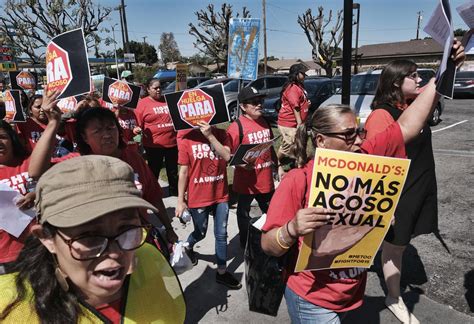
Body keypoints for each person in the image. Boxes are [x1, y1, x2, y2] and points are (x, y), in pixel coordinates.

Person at [260, 37, 464, 324]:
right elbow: (268, 245)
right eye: (348, 135)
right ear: (321, 140)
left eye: (358, 131)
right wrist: (292, 228)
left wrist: (444, 70)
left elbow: (408, 123)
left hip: (352, 295)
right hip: (312, 301)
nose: (359, 140)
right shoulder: (299, 180)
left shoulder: (364, 155)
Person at [0, 155, 186, 322]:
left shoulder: (148, 260)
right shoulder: (11, 309)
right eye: (89, 237)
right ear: (47, 238)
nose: (114, 252)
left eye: (126, 229)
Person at [28, 92, 178, 244]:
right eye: (97, 131)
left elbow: (153, 196)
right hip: (98, 248)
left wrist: (169, 228)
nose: (106, 135)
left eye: (110, 128)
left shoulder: (133, 158)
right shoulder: (77, 163)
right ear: (84, 137)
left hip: (138, 240)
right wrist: (53, 122)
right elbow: (35, 172)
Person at [364, 59, 444, 323]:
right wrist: (382, 205)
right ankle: (394, 298)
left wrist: (450, 60)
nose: (419, 79)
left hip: (418, 187)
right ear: (397, 81)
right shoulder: (381, 115)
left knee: (401, 243)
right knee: (394, 247)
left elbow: (439, 86)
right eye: (413, 76)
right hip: (398, 194)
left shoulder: (412, 107)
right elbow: (376, 165)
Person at [175, 122, 241, 289]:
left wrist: (210, 135)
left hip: (221, 194)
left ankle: (221, 272)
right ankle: (188, 245)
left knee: (221, 234)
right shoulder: (186, 138)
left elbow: (227, 156)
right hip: (198, 196)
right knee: (201, 231)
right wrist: (180, 201)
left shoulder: (222, 134)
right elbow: (183, 172)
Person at [226, 86, 278, 249]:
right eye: (254, 102)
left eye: (260, 101)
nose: (259, 105)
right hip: (246, 183)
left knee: (273, 213)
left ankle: (272, 239)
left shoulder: (265, 122)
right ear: (243, 106)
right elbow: (228, 155)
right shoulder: (236, 127)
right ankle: (245, 242)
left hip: (266, 180)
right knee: (243, 213)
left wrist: (278, 166)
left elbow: (270, 148)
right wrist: (241, 164)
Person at [0, 121, 35, 271]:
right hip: (5, 256)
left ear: (12, 139)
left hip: (38, 249)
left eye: (2, 137)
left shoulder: (31, 163)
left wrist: (37, 193)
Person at [135, 78, 178, 196]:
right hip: (153, 145)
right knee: (154, 171)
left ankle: (174, 192)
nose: (158, 90)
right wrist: (137, 130)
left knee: (173, 170)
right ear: (148, 89)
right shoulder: (142, 104)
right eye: (155, 88)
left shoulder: (167, 100)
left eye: (160, 87)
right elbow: (136, 124)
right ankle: (153, 192)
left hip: (172, 143)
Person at [277, 63, 311, 167]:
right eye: (303, 73)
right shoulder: (292, 88)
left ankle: (299, 164)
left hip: (298, 122)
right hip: (289, 123)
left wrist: (306, 105)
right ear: (296, 74)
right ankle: (275, 161)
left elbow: (300, 103)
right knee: (288, 146)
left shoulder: (299, 86)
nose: (305, 75)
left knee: (299, 144)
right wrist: (299, 123)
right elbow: (295, 107)